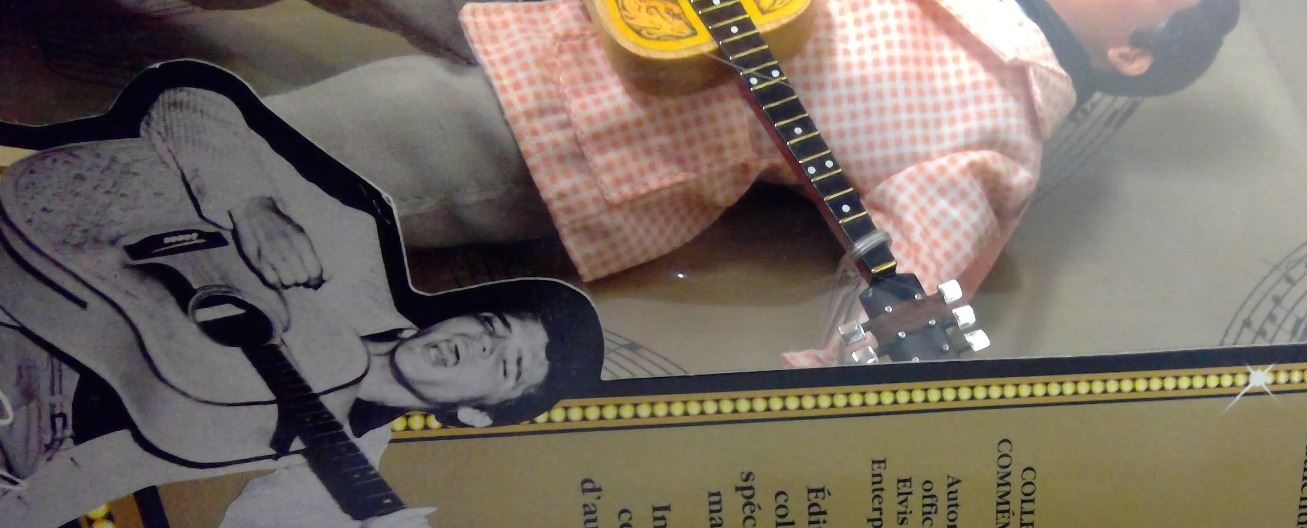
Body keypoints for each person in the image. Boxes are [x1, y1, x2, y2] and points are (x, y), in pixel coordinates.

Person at [262, 0, 1240, 362]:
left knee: (315, 149)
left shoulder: (996, 124)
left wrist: (853, 365)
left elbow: (919, 269)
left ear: (1135, 49)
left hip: (598, 123)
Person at [0, 80, 606, 528]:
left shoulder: (349, 457)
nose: (476, 345)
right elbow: (190, 105)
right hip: (40, 286)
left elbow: (256, 526)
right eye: (492, 325)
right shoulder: (349, 254)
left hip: (31, 454)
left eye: (505, 365)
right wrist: (251, 205)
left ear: (475, 413)